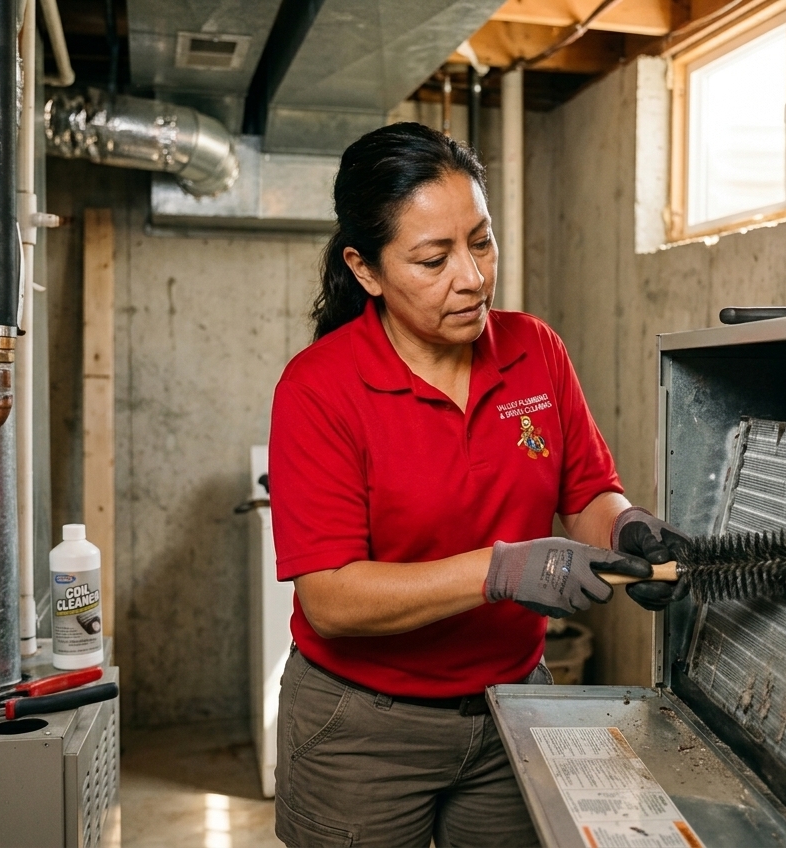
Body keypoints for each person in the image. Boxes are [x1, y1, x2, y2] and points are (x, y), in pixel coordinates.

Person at [268, 122, 693, 848]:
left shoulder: (535, 350)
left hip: (514, 707)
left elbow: (588, 489)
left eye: (482, 241)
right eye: (433, 259)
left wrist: (628, 528)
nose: (472, 277)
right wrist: (500, 570)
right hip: (363, 732)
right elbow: (331, 598)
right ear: (365, 270)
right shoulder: (320, 389)